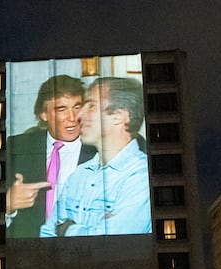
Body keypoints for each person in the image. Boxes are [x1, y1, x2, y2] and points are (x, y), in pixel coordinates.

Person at [39, 77, 151, 237]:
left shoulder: (142, 176)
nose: (79, 115)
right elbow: (47, 233)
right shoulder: (79, 174)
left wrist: (66, 229)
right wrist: (94, 229)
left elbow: (114, 242)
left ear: (119, 116)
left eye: (91, 106)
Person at [5, 75, 97, 238]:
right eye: (62, 109)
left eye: (77, 107)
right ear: (43, 114)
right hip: (29, 254)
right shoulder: (17, 147)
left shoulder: (99, 149)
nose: (73, 118)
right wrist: (7, 205)